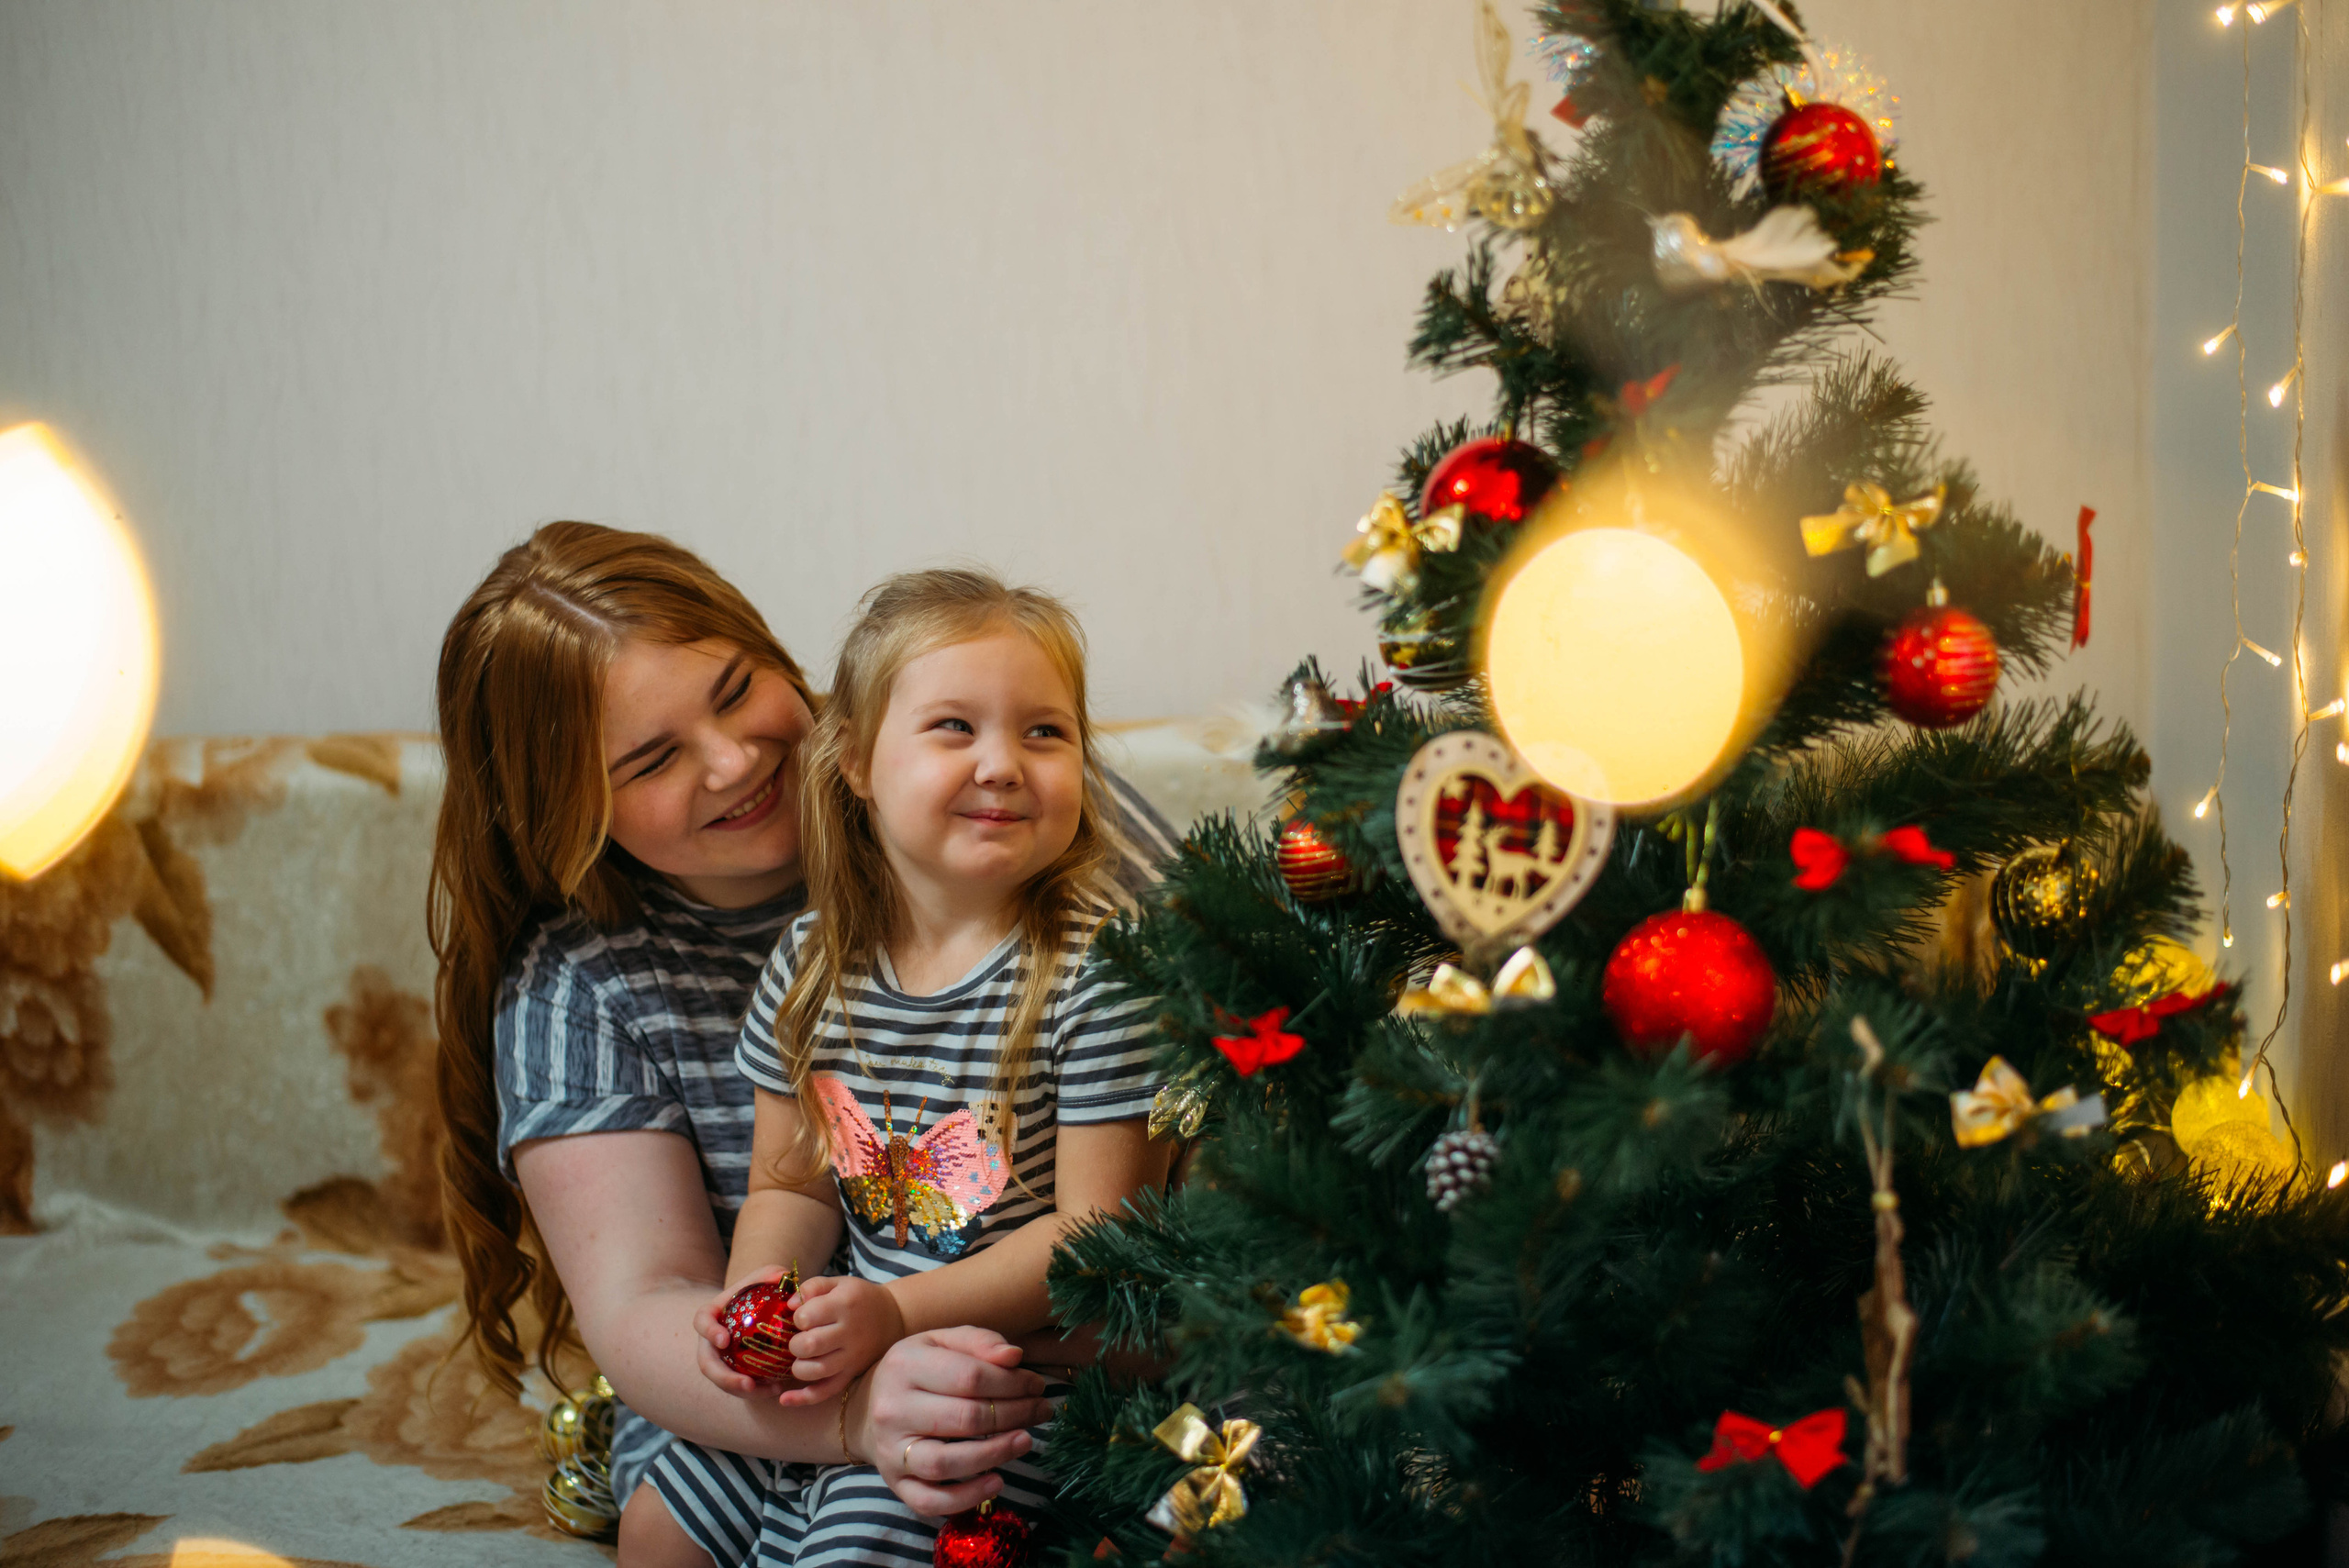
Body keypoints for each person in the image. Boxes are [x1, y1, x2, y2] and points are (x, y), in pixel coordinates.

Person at [429, 523, 1178, 1567]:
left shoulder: (1014, 818)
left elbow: (1205, 1139)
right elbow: (675, 1285)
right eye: (653, 758)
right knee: (661, 1530)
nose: (735, 760)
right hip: (768, 1383)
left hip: (1022, 1352)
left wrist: (914, 1334)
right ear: (568, 811)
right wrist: (793, 1346)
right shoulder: (609, 981)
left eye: (737, 690)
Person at [698, 569, 1164, 1564]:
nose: (1003, 764)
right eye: (955, 726)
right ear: (856, 761)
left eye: (1045, 732)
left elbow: (1100, 1238)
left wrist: (897, 1313)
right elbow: (789, 1184)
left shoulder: (1097, 974)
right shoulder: (811, 962)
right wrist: (763, 1303)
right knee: (663, 1523)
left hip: (1012, 1383)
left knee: (854, 1548)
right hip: (848, 1353)